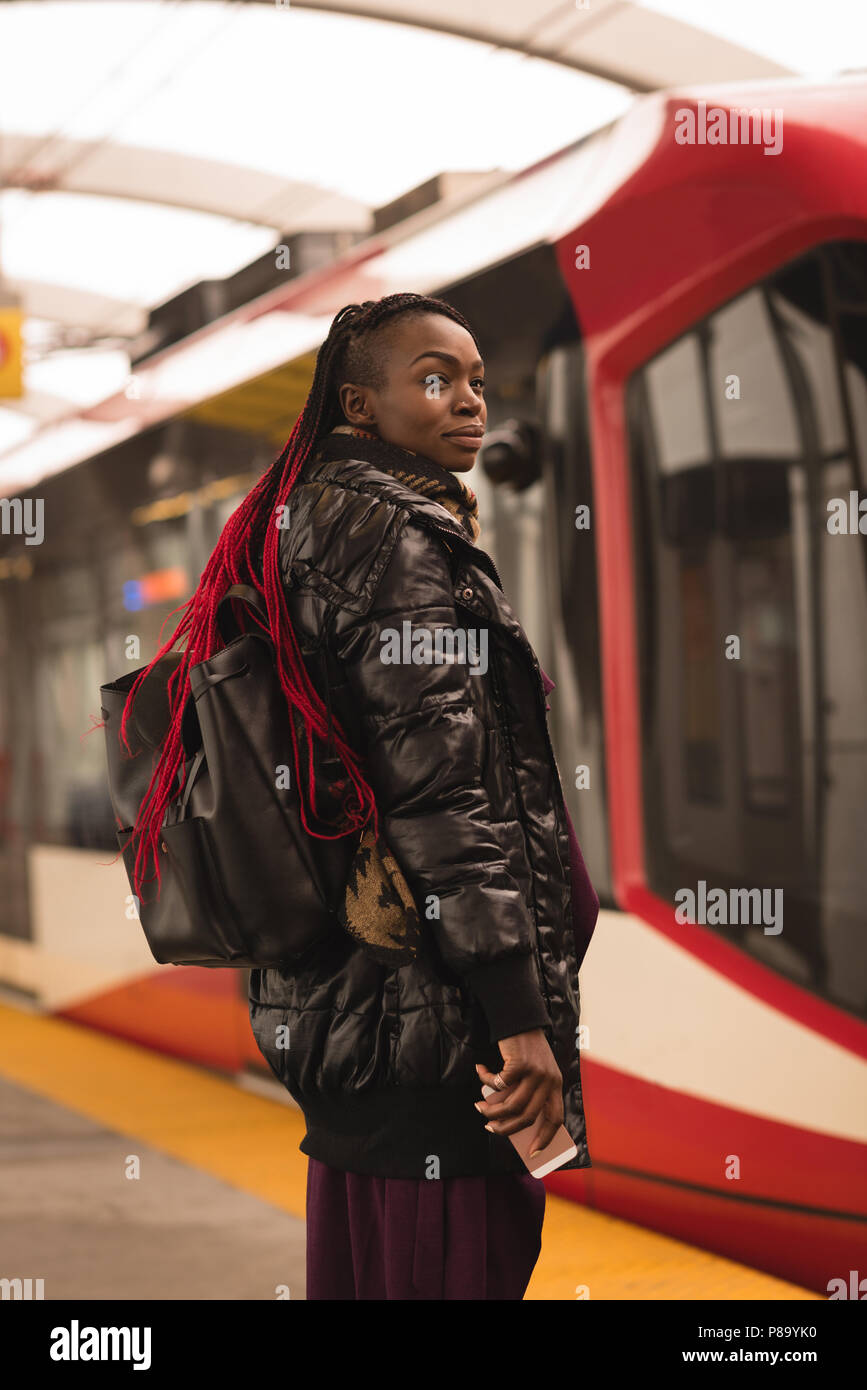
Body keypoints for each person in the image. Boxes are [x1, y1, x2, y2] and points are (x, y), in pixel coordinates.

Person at [122, 292, 598, 1300]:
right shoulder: (394, 538)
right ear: (360, 405)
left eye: (475, 379)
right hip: (433, 1033)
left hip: (350, 1017)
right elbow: (446, 796)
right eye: (435, 378)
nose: (469, 399)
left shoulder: (305, 522)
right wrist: (518, 1022)